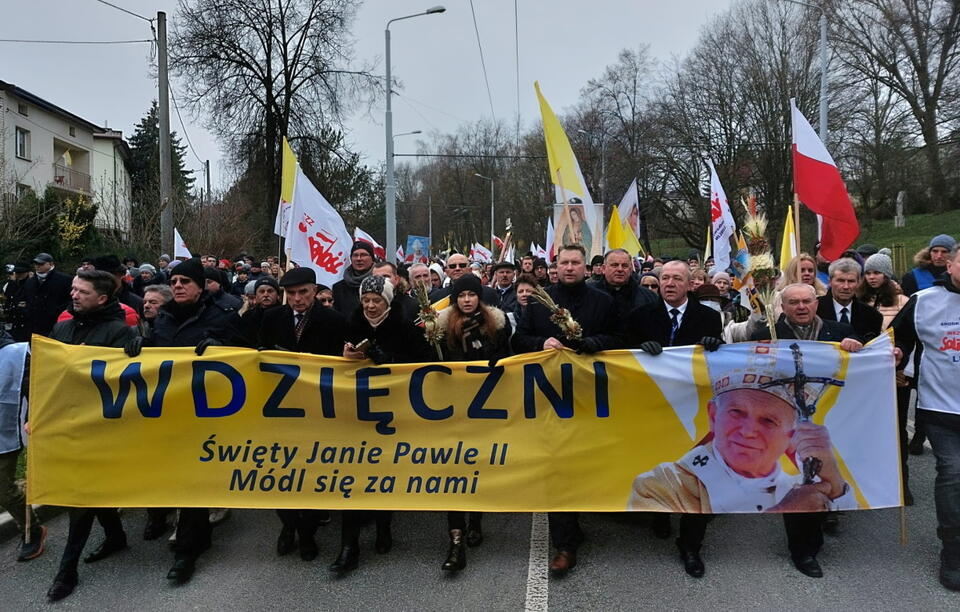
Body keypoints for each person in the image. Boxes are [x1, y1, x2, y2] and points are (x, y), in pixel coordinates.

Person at [124, 257, 241, 585]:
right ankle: (186, 531)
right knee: (175, 474)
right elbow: (159, 353)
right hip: (169, 410)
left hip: (207, 411)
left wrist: (223, 348)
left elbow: (247, 353)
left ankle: (187, 550)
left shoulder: (222, 316)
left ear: (200, 286)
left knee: (194, 477)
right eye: (173, 282)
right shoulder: (162, 318)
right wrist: (141, 346)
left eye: (185, 282)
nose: (177, 286)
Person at [630, 344, 856, 512]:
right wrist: (784, 511)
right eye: (736, 412)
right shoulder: (663, 483)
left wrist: (833, 478)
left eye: (769, 421)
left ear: (792, 434)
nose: (748, 432)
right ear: (713, 415)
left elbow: (845, 521)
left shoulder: (797, 484)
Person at [511, 244, 622, 578]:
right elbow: (520, 341)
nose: (570, 267)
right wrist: (540, 344)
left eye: (576, 262)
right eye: (564, 263)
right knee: (556, 465)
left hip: (591, 398)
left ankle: (579, 522)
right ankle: (565, 544)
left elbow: (619, 337)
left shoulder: (603, 302)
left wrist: (594, 343)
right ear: (555, 267)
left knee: (584, 463)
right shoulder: (537, 303)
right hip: (549, 399)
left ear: (587, 268)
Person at [748, 283, 864, 579]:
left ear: (816, 303)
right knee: (795, 481)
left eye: (807, 301)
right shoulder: (766, 336)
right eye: (794, 302)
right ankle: (802, 549)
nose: (801, 307)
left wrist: (857, 345)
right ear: (782, 307)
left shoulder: (839, 332)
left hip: (830, 419)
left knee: (825, 474)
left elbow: (866, 361)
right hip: (783, 424)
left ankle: (821, 524)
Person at [621, 260, 723, 577]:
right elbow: (622, 358)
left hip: (693, 411)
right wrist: (638, 348)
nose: (669, 283)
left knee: (695, 474)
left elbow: (719, 362)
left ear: (689, 283)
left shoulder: (709, 317)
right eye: (664, 278)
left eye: (676, 278)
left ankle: (691, 545)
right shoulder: (641, 316)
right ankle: (661, 513)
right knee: (657, 465)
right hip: (653, 409)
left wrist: (715, 346)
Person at [45, 270, 137, 601]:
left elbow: (125, 381)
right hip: (69, 422)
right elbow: (49, 375)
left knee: (81, 496)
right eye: (73, 290)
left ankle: (66, 571)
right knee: (92, 491)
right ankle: (115, 536)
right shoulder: (62, 327)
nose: (75, 295)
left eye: (82, 292)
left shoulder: (119, 332)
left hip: (102, 427)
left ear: (102, 298)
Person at [333, 275, 431, 573]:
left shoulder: (405, 326)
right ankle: (348, 546)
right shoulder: (350, 325)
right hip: (357, 410)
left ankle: (384, 525)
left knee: (383, 471)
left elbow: (420, 362)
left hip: (392, 410)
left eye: (377, 301)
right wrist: (345, 357)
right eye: (366, 301)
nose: (371, 306)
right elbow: (328, 359)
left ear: (387, 302)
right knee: (352, 473)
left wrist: (387, 359)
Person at [257, 268, 346, 561]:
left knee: (310, 473)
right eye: (291, 293)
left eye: (303, 292)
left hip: (318, 410)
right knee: (280, 473)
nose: (297, 299)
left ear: (314, 291)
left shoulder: (333, 320)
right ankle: (289, 524)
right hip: (279, 410)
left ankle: (306, 532)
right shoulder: (272, 318)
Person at [892, 244, 960, 591]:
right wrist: (898, 355)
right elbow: (899, 339)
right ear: (951, 264)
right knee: (952, 472)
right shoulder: (924, 301)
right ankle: (953, 551)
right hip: (941, 408)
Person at [434, 273, 511, 572]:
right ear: (455, 300)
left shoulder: (497, 326)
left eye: (472, 295)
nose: (467, 300)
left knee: (477, 468)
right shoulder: (440, 329)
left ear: (480, 297)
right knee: (454, 472)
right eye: (461, 296)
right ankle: (456, 539)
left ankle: (476, 519)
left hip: (485, 411)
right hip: (452, 412)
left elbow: (508, 360)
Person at [857, 251, 913, 503]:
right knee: (867, 428)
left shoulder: (903, 301)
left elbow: (909, 337)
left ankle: (903, 482)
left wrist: (903, 368)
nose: (871, 277)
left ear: (887, 274)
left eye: (877, 272)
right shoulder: (860, 301)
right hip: (866, 376)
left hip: (894, 373)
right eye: (868, 272)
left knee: (897, 429)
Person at [0, 330, 45, 562]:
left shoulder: (16, 354)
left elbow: (34, 388)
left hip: (4, 430)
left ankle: (32, 529)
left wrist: (32, 415)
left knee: (4, 490)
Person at [817, 258, 883, 344]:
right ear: (830, 281)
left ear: (859, 282)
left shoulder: (872, 316)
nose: (846, 286)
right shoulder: (814, 310)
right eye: (840, 281)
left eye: (851, 281)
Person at [593, 249, 657, 317]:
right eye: (615, 265)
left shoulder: (649, 297)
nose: (620, 269)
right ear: (603, 268)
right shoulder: (590, 295)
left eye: (624, 266)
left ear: (630, 269)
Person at [23, 252, 72, 338]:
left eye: (41, 264)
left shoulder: (65, 279)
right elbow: (28, 300)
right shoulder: (30, 281)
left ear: (51, 264)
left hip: (55, 325)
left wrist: (58, 312)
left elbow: (70, 300)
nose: (37, 266)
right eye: (36, 264)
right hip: (34, 326)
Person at [430, 254, 499, 306]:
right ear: (447, 272)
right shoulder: (437, 297)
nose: (457, 268)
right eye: (452, 266)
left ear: (470, 270)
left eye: (462, 265)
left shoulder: (489, 294)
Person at [332, 241, 376, 317]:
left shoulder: (381, 284)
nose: (359, 259)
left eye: (363, 255)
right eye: (355, 255)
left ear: (372, 259)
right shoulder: (338, 288)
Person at [240, 277, 280, 347]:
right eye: (261, 292)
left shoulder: (287, 315)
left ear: (277, 295)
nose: (266, 295)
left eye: (270, 291)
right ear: (256, 296)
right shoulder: (248, 315)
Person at [2, 261, 32, 342]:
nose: (19, 275)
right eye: (17, 272)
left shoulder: (31, 284)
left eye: (21, 272)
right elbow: (8, 299)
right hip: (11, 319)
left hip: (25, 322)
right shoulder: (11, 284)